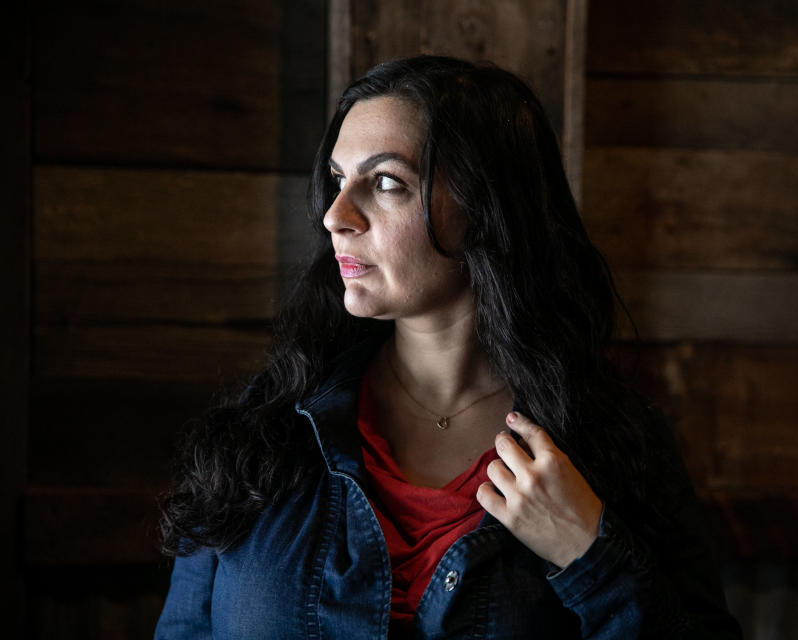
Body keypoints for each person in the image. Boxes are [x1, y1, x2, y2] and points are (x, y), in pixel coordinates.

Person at [154, 55, 742, 639]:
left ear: (486, 211)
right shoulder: (265, 431)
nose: (335, 216)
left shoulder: (612, 447)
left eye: (386, 183)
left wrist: (589, 556)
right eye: (337, 180)